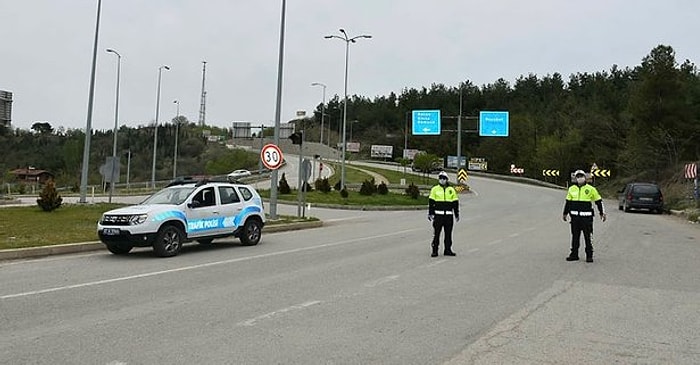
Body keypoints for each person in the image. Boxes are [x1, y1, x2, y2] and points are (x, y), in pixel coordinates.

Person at [562, 169, 606, 262]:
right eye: (578, 177)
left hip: (586, 218)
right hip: (575, 218)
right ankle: (574, 254)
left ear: (585, 178)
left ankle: (589, 255)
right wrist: (565, 213)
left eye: (581, 176)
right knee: (575, 237)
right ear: (575, 178)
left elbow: (598, 201)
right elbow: (568, 202)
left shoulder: (591, 189)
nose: (579, 178)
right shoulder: (571, 189)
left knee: (588, 237)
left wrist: (602, 212)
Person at [428, 171, 460, 257]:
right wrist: (430, 213)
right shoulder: (435, 189)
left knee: (448, 234)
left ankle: (448, 249)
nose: (442, 180)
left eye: (444, 178)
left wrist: (456, 214)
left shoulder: (451, 190)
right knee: (436, 234)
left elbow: (455, 202)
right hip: (438, 215)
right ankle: (435, 250)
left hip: (449, 216)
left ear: (447, 179)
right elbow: (431, 202)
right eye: (440, 178)